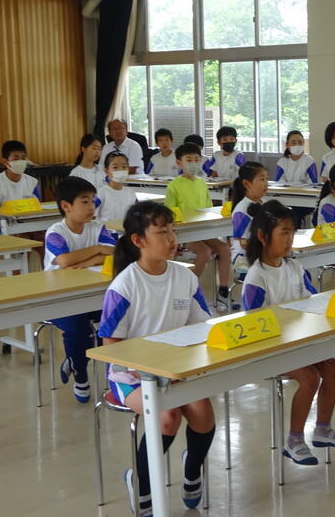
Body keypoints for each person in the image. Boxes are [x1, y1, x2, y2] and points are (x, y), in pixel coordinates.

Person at [99, 201, 215, 513]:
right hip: (130, 374)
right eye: (162, 232)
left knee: (203, 414)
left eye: (173, 231)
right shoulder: (125, 285)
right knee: (167, 415)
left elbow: (202, 325)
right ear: (139, 240)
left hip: (175, 369)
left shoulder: (184, 277)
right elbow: (111, 344)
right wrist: (147, 369)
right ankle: (141, 483)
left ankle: (192, 470)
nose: (172, 239)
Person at [242, 200, 335, 464]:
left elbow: (311, 301)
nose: (289, 239)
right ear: (263, 236)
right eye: (283, 232)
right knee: (309, 378)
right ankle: (294, 440)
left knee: (333, 368)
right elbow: (253, 325)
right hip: (270, 349)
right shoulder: (257, 277)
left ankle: (323, 429)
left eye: (292, 232)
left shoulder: (294, 267)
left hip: (297, 342)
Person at [44, 176, 116, 403]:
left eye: (93, 201)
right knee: (78, 329)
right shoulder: (56, 232)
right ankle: (81, 375)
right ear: (66, 206)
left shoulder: (98, 227)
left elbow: (115, 252)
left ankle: (75, 359)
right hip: (59, 299)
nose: (91, 207)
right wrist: (97, 250)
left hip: (92, 296)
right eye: (85, 201)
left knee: (119, 320)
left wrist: (89, 260)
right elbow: (65, 260)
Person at [164, 142, 232, 309]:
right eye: (189, 160)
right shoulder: (174, 185)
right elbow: (169, 212)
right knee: (204, 251)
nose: (193, 163)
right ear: (179, 163)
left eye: (196, 159)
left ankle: (223, 291)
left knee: (224, 249)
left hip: (203, 229)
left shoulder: (202, 183)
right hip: (184, 233)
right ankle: (190, 288)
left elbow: (208, 208)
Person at [0, 140, 41, 233]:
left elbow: (38, 209)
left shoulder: (33, 182)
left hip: (26, 226)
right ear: (5, 162)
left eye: (23, 158)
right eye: (16, 158)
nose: (21, 161)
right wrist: (14, 230)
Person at [231, 161, 268, 268]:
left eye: (266, 179)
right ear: (246, 184)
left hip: (261, 254)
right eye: (262, 179)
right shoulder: (241, 210)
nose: (266, 183)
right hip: (243, 259)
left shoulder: (264, 203)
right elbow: (244, 243)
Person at [95, 151, 138, 223]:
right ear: (106, 171)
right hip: (106, 230)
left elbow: (137, 214)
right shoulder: (101, 193)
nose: (120, 170)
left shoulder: (131, 193)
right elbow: (92, 214)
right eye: (115, 167)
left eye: (124, 167)